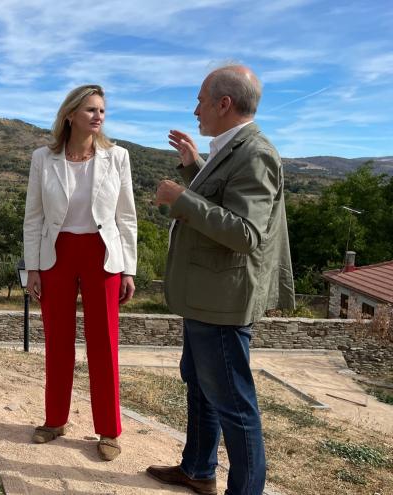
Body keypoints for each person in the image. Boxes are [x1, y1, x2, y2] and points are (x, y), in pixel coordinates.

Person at [147, 64, 295, 495]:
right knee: (199, 384)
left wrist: (180, 198)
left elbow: (246, 233)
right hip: (206, 298)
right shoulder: (230, 149)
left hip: (224, 302)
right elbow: (225, 202)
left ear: (223, 103)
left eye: (200, 100)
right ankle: (197, 469)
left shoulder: (256, 152)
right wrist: (194, 168)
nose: (196, 109)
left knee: (235, 406)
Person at [22, 84, 137, 461]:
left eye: (102, 110)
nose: (98, 116)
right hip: (56, 254)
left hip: (103, 255)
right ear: (70, 115)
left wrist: (128, 269)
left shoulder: (118, 157)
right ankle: (54, 420)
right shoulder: (43, 157)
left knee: (104, 342)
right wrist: (33, 267)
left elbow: (126, 217)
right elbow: (34, 217)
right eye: (90, 109)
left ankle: (109, 430)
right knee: (57, 339)